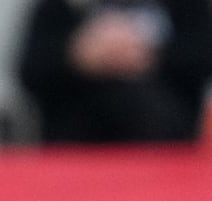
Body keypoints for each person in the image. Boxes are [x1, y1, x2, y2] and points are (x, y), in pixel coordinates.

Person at [18, 0, 212, 144]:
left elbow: (202, 59)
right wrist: (77, 56)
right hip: (73, 145)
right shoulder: (63, 7)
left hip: (166, 146)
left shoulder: (185, 6)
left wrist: (148, 56)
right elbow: (30, 71)